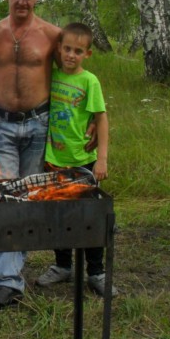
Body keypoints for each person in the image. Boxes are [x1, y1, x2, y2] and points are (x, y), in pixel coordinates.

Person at [0, 0, 63, 309]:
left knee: (27, 197)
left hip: (38, 125)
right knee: (5, 197)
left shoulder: (52, 35)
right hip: (1, 125)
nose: (23, 1)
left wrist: (90, 120)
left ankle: (13, 271)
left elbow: (75, 77)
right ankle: (7, 281)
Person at [35, 22, 118, 297]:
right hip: (53, 159)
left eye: (78, 51)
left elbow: (101, 118)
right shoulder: (51, 75)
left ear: (87, 54)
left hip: (82, 160)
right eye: (67, 49)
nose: (71, 55)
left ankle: (96, 272)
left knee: (88, 215)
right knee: (58, 214)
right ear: (59, 49)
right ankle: (62, 265)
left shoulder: (89, 81)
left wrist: (102, 159)